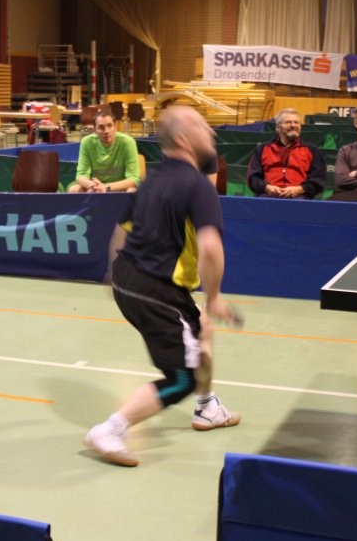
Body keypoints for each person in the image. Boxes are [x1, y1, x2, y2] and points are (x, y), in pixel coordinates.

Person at [83, 106, 242, 468]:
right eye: (202, 126)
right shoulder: (197, 186)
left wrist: (113, 271)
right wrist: (214, 296)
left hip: (128, 278)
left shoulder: (150, 180)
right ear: (183, 139)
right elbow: (211, 248)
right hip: (155, 290)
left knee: (201, 327)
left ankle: (207, 408)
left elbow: (121, 229)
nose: (211, 132)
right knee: (182, 379)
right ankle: (110, 429)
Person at [246, 108, 326, 199]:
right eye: (288, 122)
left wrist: (300, 189)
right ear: (278, 127)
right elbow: (253, 178)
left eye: (296, 122)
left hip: (299, 197)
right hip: (267, 195)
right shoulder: (262, 149)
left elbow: (319, 179)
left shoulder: (313, 150)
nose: (293, 125)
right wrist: (266, 187)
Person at [67, 108, 141, 193]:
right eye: (101, 127)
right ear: (95, 130)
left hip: (118, 187)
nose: (106, 131)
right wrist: (91, 185)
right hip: (95, 187)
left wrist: (106, 187)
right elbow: (80, 176)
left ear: (115, 127)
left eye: (109, 126)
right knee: (74, 189)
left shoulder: (128, 142)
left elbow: (134, 179)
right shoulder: (87, 142)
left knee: (132, 190)